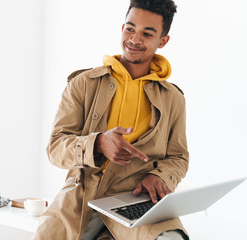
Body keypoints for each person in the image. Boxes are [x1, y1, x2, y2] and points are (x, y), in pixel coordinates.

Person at [33, 0, 189, 239]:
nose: (135, 40)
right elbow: (55, 148)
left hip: (137, 199)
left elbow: (178, 156)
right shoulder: (83, 83)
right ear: (122, 27)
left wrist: (159, 176)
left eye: (147, 34)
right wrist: (97, 143)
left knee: (171, 238)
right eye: (130, 28)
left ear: (162, 41)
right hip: (82, 197)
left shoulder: (173, 98)